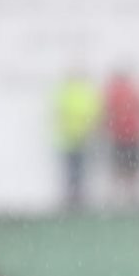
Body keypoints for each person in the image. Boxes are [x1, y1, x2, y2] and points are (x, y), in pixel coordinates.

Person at [53, 71, 102, 211]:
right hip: (72, 138)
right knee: (73, 169)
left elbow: (92, 113)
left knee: (78, 169)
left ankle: (77, 198)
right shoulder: (73, 93)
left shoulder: (71, 93)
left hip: (78, 138)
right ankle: (73, 198)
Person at [102, 70, 139, 204]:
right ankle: (129, 196)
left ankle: (124, 196)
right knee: (129, 168)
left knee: (123, 168)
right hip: (129, 136)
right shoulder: (132, 92)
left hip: (123, 136)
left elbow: (108, 114)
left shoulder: (115, 93)